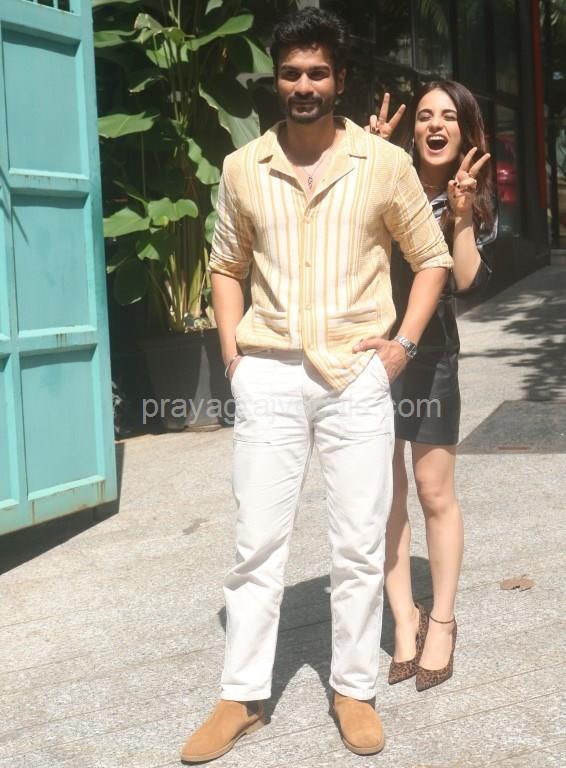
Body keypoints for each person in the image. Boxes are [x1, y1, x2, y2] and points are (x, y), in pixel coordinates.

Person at [181, 9, 453, 763]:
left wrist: (401, 345)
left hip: (354, 375)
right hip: (268, 373)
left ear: (340, 80)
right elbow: (226, 265)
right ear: (277, 80)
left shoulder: (382, 163)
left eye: (318, 73)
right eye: (292, 73)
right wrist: (234, 360)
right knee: (256, 544)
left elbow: (430, 258)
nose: (304, 86)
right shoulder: (244, 167)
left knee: (360, 543)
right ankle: (242, 696)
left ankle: (353, 689)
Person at [367, 81, 496, 690]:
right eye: (424, 116)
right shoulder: (384, 178)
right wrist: (368, 160)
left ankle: (441, 620)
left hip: (432, 355)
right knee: (385, 493)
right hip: (367, 351)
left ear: (464, 131)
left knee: (432, 489)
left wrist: (462, 215)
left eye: (448, 116)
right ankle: (403, 617)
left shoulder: (468, 196)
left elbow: (465, 282)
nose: (435, 125)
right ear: (412, 130)